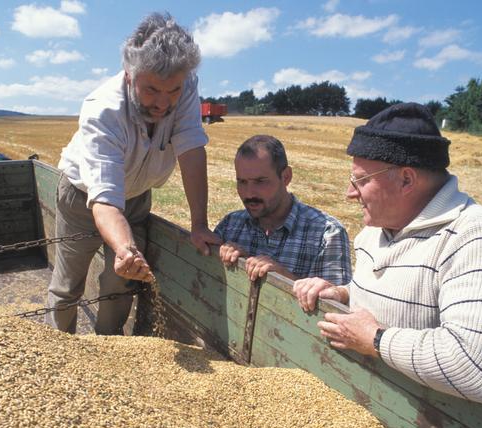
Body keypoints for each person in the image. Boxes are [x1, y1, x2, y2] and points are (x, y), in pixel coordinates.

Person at [293, 103, 482, 405]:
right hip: (364, 400)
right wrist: (341, 293)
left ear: (406, 179)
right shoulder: (375, 230)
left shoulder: (477, 236)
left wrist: (376, 340)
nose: (350, 193)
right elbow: (387, 295)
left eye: (361, 180)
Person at [47, 13, 220, 334]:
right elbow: (104, 200)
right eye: (151, 89)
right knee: (68, 284)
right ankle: (58, 353)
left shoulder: (184, 85)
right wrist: (125, 248)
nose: (163, 103)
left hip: (137, 198)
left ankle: (111, 348)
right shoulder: (103, 110)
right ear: (130, 75)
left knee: (122, 282)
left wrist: (199, 224)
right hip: (82, 197)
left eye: (173, 91)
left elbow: (192, 148)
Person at [215, 135, 351, 284]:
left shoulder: (326, 234)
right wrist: (236, 262)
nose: (249, 193)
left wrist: (282, 279)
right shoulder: (231, 225)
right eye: (242, 182)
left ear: (286, 177)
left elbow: (332, 304)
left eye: (260, 182)